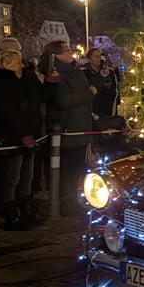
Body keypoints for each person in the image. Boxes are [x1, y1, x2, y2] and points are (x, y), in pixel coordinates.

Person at [0, 49, 43, 229]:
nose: (21, 65)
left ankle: (25, 206)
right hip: (11, 136)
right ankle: (10, 210)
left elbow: (37, 100)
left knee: (27, 174)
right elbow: (7, 112)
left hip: (30, 133)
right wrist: (22, 133)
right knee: (12, 176)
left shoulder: (26, 78)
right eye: (17, 62)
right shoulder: (1, 82)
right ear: (6, 64)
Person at [40, 41, 95, 216]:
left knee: (77, 167)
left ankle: (73, 198)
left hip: (81, 126)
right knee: (66, 169)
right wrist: (89, 94)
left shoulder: (75, 72)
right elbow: (63, 101)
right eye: (66, 50)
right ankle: (65, 201)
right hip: (67, 127)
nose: (71, 53)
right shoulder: (56, 73)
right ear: (56, 55)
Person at [83, 48, 120, 119]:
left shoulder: (109, 72)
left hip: (108, 106)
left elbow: (115, 89)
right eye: (96, 57)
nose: (99, 59)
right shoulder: (84, 72)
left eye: (100, 56)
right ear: (89, 59)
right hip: (92, 108)